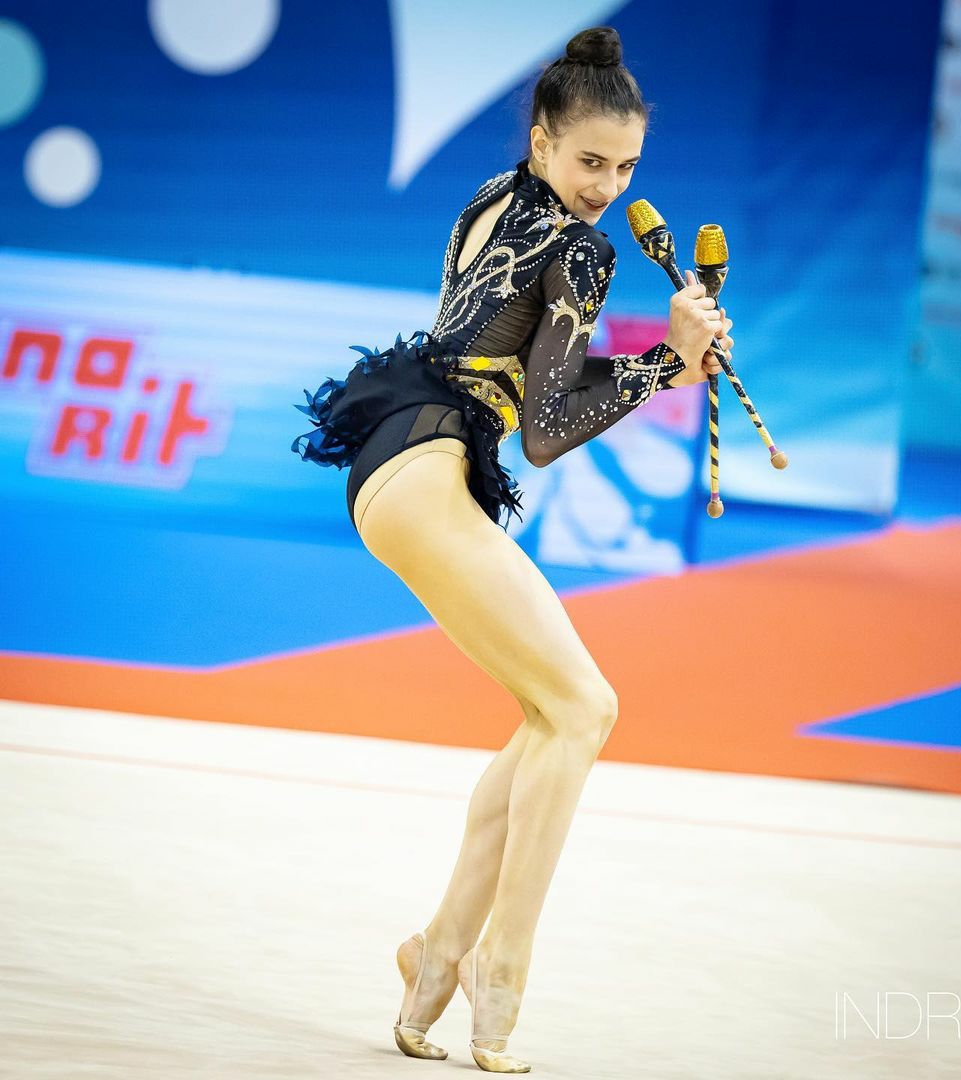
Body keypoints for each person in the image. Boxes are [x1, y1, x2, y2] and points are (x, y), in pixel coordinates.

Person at [290, 24, 733, 1073]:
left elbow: (520, 379)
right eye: (590, 162)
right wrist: (665, 358)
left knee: (549, 716)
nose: (607, 187)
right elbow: (546, 429)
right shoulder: (583, 250)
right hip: (430, 471)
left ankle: (436, 955)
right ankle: (502, 967)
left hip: (399, 464)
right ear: (543, 141)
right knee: (586, 710)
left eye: (627, 168)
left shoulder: (493, 196)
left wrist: (665, 363)